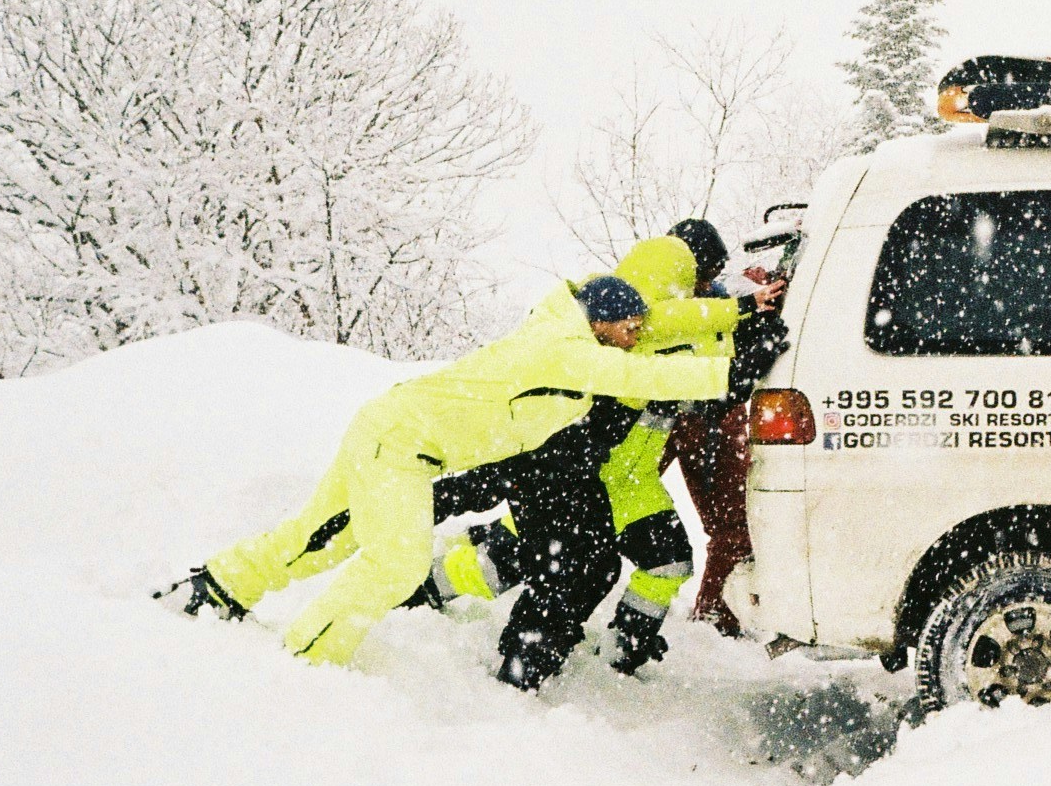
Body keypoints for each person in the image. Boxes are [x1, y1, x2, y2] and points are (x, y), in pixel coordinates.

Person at [158, 276, 729, 668]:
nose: (635, 339)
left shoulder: (560, 337)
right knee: (396, 563)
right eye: (630, 328)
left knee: (324, 537)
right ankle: (308, 661)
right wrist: (731, 369)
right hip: (399, 446)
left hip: (390, 429)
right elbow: (645, 378)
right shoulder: (563, 351)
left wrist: (737, 310)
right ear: (602, 322)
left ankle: (219, 586)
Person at [423, 218, 786, 683]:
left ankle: (620, 654)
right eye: (703, 276)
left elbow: (701, 349)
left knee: (664, 561)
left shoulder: (660, 324)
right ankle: (432, 591)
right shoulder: (630, 330)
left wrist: (751, 319)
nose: (707, 286)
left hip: (632, 481)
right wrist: (747, 335)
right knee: (523, 561)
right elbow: (691, 359)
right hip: (582, 478)